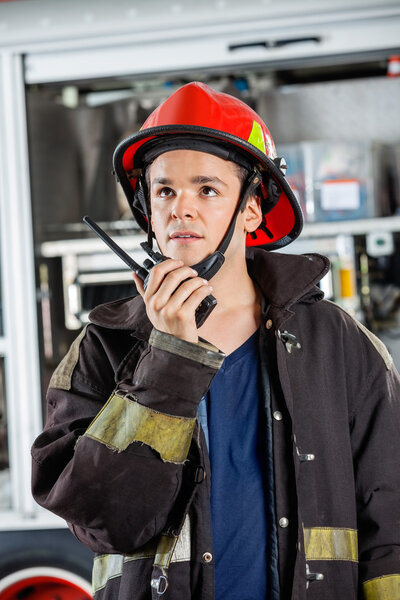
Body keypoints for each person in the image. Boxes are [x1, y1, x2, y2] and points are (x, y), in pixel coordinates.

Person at [31, 82, 400, 600]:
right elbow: (106, 525)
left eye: (207, 189)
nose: (181, 208)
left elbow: (390, 520)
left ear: (251, 211)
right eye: (165, 191)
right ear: (148, 211)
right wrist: (169, 357)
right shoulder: (103, 347)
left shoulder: (338, 344)